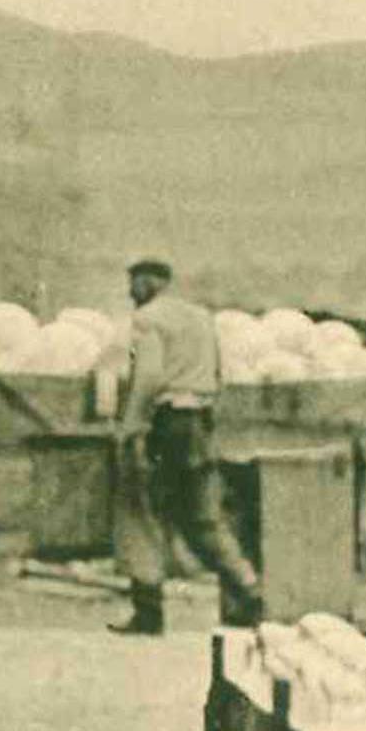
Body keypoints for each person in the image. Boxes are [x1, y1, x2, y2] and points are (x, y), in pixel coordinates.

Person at [111, 258, 264, 635]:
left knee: (141, 512)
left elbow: (148, 375)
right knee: (202, 519)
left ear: (149, 283)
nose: (130, 292)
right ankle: (250, 593)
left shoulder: (148, 320)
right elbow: (217, 373)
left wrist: (130, 427)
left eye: (134, 284)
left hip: (168, 425)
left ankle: (148, 612)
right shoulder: (201, 317)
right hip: (199, 424)